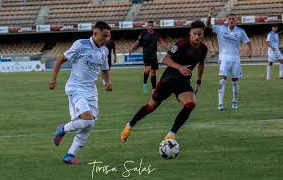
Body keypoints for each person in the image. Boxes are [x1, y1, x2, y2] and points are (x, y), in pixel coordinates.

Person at [121, 20, 207, 142]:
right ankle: (129, 125)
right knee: (151, 107)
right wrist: (180, 67)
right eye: (195, 34)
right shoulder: (181, 44)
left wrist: (198, 81)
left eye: (200, 34)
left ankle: (171, 134)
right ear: (190, 33)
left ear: (203, 34)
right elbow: (165, 60)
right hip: (168, 79)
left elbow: (201, 65)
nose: (197, 36)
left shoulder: (203, 49)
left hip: (183, 82)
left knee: (190, 104)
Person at [49, 21, 112, 164]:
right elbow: (60, 59)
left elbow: (105, 69)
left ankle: (70, 155)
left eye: (108, 36)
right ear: (95, 34)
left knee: (90, 124)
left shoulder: (104, 50)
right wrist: (53, 80)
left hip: (91, 91)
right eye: (104, 36)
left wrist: (106, 82)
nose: (106, 39)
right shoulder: (80, 45)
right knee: (87, 120)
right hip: (76, 88)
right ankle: (62, 129)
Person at [206, 8, 252, 110]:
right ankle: (220, 103)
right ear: (227, 20)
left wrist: (250, 50)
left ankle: (234, 102)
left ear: (236, 20)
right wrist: (209, 15)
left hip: (235, 59)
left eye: (233, 19)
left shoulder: (240, 31)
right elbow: (208, 25)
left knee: (235, 81)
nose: (231, 20)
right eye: (230, 18)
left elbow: (248, 42)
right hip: (224, 58)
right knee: (222, 80)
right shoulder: (221, 29)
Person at [129, 21, 169, 94]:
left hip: (154, 55)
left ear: (153, 26)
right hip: (146, 55)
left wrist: (169, 50)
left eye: (152, 25)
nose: (151, 27)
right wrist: (132, 48)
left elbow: (162, 42)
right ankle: (144, 84)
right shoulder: (143, 34)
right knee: (148, 70)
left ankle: (154, 89)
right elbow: (138, 41)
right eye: (149, 25)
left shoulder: (157, 34)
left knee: (153, 73)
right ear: (147, 26)